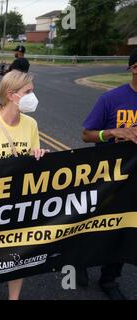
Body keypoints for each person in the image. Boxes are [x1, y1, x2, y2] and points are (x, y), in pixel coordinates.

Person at [0, 70, 47, 300]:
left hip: (21, 200)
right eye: (29, 92)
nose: (33, 96)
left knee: (18, 252)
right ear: (12, 95)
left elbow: (33, 158)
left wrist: (40, 155)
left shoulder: (31, 124)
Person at [78, 48, 137, 300]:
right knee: (98, 225)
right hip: (110, 178)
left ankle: (109, 278)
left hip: (134, 180)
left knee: (126, 229)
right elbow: (86, 134)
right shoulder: (111, 99)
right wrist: (113, 133)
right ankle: (80, 259)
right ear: (134, 68)